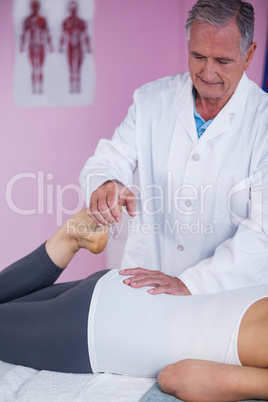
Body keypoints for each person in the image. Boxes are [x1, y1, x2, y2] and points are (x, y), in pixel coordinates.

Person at [79, 0, 268, 296]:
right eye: (198, 56)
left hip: (227, 296)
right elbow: (110, 158)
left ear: (249, 55)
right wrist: (107, 183)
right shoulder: (152, 100)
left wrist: (190, 283)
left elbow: (263, 232)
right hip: (145, 285)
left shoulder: (263, 122)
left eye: (222, 61)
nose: (207, 72)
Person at [0, 209, 268, 402]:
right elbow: (177, 377)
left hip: (127, 287)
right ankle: (66, 240)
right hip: (99, 332)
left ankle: (67, 240)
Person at [20, 0, 53, 94]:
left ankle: (41, 88)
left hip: (41, 46)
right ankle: (34, 88)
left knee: (40, 68)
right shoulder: (28, 20)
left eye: (36, 6)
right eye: (33, 6)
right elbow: (24, 34)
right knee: (34, 68)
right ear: (31, 7)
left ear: (39, 7)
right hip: (32, 45)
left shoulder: (42, 20)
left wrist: (50, 46)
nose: (35, 8)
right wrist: (22, 46)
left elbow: (47, 33)